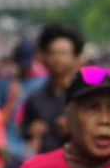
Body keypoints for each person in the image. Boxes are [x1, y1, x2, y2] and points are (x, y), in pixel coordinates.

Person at [21, 22, 83, 154]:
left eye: (63, 53)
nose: (57, 58)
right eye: (52, 53)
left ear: (76, 58)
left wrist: (77, 129)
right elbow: (25, 131)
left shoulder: (85, 96)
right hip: (45, 162)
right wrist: (33, 131)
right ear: (43, 57)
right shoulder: (34, 98)